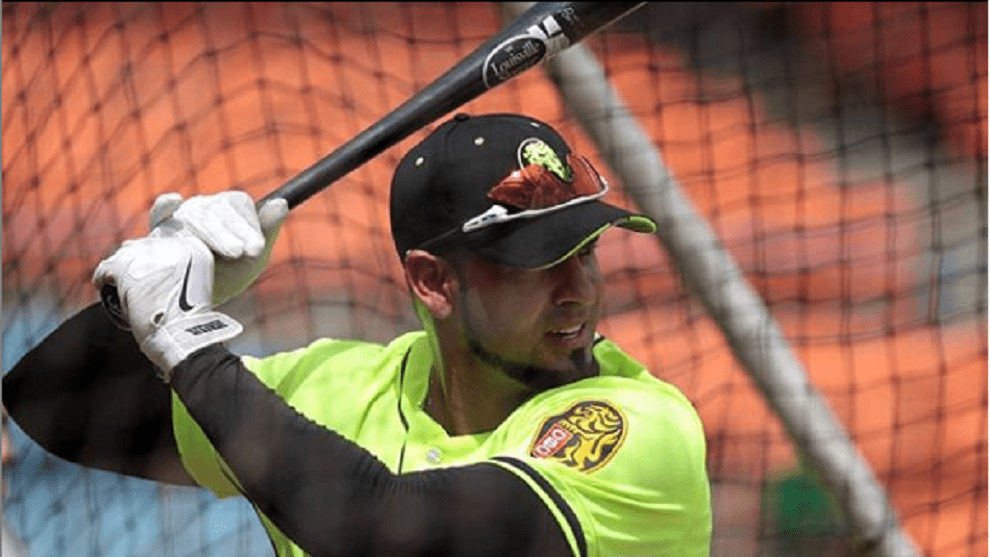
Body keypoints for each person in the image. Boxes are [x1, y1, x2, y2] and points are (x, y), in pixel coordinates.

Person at [4, 113, 712, 556]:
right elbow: (53, 405)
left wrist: (188, 342)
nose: (580, 289)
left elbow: (384, 530)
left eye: (586, 250)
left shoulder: (639, 429)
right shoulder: (336, 386)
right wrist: (150, 295)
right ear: (434, 282)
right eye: (539, 261)